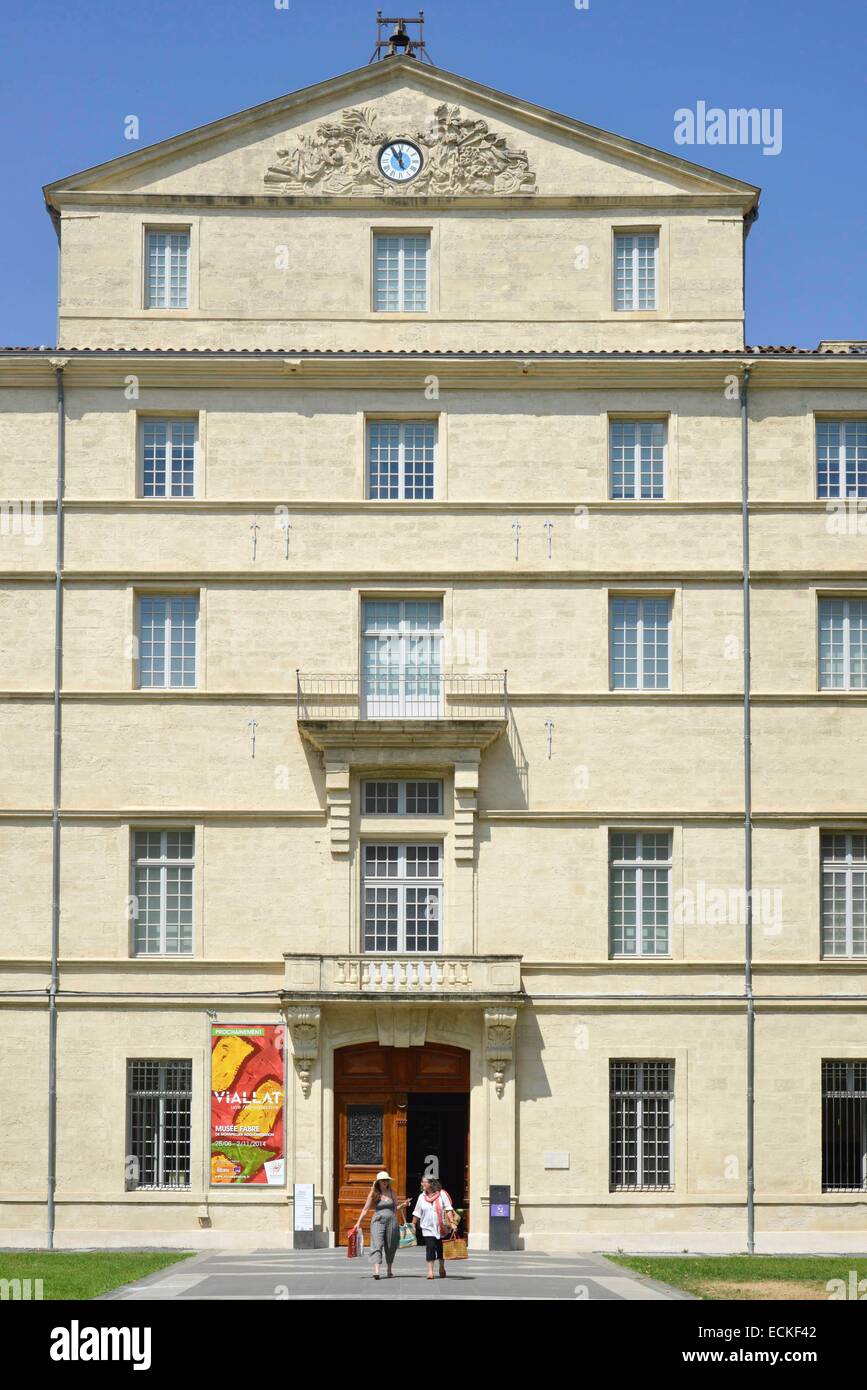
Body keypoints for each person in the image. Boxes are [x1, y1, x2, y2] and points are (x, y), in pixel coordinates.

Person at [352, 1171, 408, 1279]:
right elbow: (365, 1209)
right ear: (378, 1182)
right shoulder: (373, 1193)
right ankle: (376, 1270)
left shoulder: (392, 1192)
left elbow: (395, 1208)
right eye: (383, 1180)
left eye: (386, 1180)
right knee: (376, 1244)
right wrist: (358, 1222)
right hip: (378, 1220)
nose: (385, 1182)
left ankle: (389, 1269)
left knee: (391, 1245)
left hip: (392, 1221)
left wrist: (403, 1205)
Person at [412, 1176, 457, 1280]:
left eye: (424, 1182)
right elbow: (417, 1212)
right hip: (427, 1227)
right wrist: (413, 1224)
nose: (422, 1184)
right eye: (422, 1182)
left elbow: (448, 1209)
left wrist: (452, 1222)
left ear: (431, 1183)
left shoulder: (442, 1194)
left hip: (442, 1227)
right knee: (430, 1247)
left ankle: (441, 1267)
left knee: (440, 1249)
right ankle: (430, 1271)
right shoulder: (421, 1197)